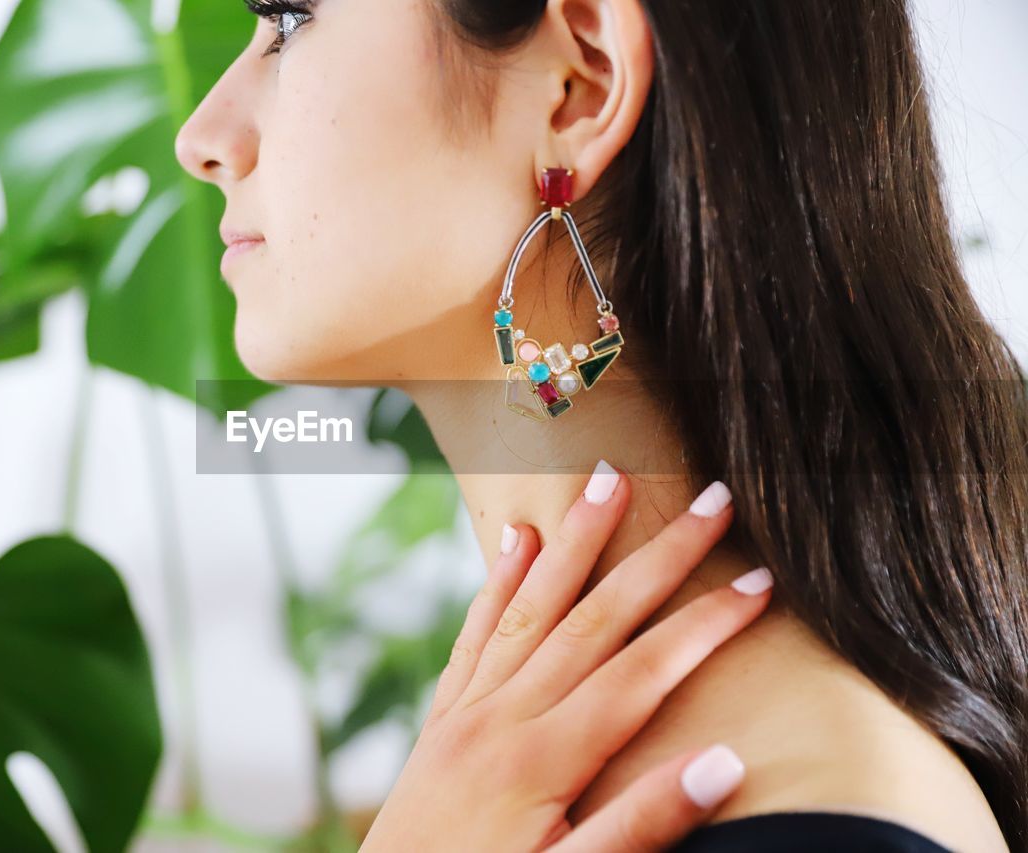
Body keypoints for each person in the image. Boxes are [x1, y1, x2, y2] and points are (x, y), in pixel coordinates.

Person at [174, 0, 1027, 849]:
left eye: (289, 19)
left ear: (581, 84)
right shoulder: (472, 797)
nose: (201, 137)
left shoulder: (815, 824)